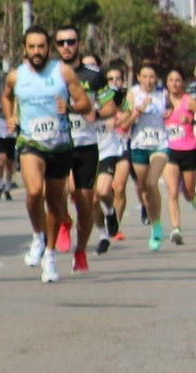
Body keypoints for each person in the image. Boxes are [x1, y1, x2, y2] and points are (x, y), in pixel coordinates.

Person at [1, 26, 92, 283]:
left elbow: (86, 103)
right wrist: (10, 117)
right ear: (24, 49)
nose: (37, 52)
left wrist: (70, 107)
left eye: (41, 47)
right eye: (32, 47)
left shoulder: (62, 72)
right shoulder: (16, 76)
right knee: (33, 192)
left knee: (54, 203)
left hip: (60, 145)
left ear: (48, 49)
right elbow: (6, 97)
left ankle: (50, 255)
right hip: (30, 142)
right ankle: (38, 237)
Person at [51, 27, 117, 272]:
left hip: (86, 146)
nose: (66, 45)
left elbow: (111, 108)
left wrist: (96, 113)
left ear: (78, 43)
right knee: (64, 192)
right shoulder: (50, 74)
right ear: (55, 45)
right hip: (58, 144)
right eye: (61, 42)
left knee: (85, 201)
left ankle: (80, 251)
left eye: (71, 41)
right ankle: (64, 221)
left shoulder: (94, 75)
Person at [124, 63, 171, 250]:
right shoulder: (133, 94)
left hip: (160, 144)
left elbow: (171, 110)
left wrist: (170, 113)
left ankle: (158, 226)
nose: (149, 80)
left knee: (152, 183)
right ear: (138, 77)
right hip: (138, 145)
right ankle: (154, 226)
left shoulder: (163, 93)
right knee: (144, 189)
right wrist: (138, 110)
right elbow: (125, 122)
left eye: (152, 77)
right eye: (145, 76)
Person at [88, 58, 130, 250]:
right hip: (86, 149)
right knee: (91, 199)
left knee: (104, 191)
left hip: (108, 149)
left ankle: (111, 211)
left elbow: (125, 110)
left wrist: (118, 122)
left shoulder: (110, 92)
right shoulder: (75, 92)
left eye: (93, 66)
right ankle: (102, 235)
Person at [166, 65, 196, 236]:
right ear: (167, 83)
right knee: (172, 191)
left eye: (177, 80)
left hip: (189, 150)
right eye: (171, 80)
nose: (174, 84)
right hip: (169, 151)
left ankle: (193, 198)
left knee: (189, 193)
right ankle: (176, 229)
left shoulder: (189, 101)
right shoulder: (162, 101)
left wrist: (190, 121)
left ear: (183, 83)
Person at [0, 101, 16, 200]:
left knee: (9, 164)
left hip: (11, 136)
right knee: (1, 161)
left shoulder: (15, 107)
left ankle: (7, 188)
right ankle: (0, 185)